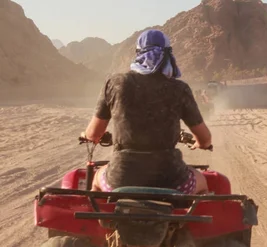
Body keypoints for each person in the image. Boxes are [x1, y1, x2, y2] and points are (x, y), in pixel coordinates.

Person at [81, 29, 212, 194]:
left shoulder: (115, 83)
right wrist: (200, 143)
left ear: (138, 53)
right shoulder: (180, 88)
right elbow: (205, 139)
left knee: (96, 180)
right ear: (167, 54)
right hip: (172, 181)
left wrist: (86, 134)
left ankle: (101, 219)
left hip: (120, 179)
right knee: (202, 182)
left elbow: (93, 135)